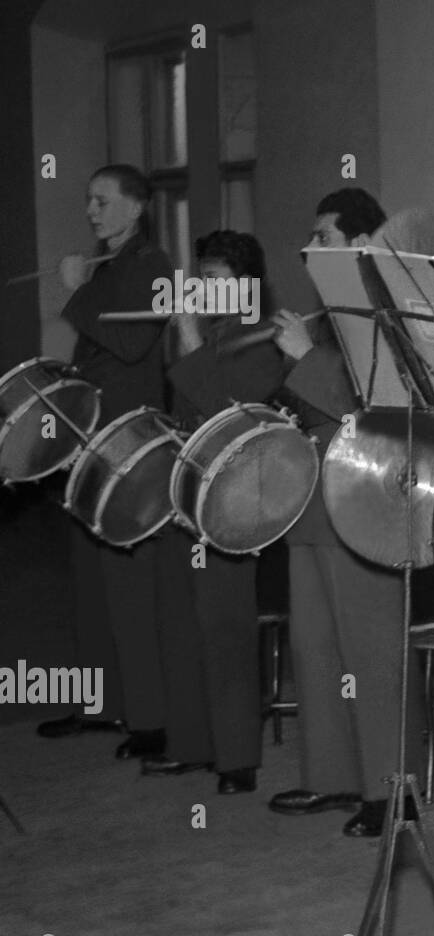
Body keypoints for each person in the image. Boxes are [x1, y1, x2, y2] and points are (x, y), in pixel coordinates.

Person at [266, 188, 421, 836]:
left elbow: (386, 399)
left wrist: (304, 358)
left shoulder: (390, 305)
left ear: (363, 241)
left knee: (372, 649)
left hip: (367, 495)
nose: (313, 247)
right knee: (316, 643)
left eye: (324, 235)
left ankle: (394, 790)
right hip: (313, 501)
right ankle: (330, 776)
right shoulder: (330, 309)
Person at [142, 231, 284, 795]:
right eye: (200, 278)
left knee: (224, 626)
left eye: (216, 280)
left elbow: (227, 409)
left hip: (235, 497)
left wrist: (187, 332)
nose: (202, 289)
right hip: (186, 492)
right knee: (181, 620)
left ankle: (237, 757)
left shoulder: (264, 338)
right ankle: (193, 742)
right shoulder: (210, 332)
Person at [38, 166, 172, 756]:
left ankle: (147, 718)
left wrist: (75, 292)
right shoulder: (107, 268)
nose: (91, 211)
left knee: (128, 583)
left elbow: (131, 342)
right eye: (88, 201)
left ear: (135, 207)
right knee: (90, 582)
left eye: (102, 201)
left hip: (129, 442)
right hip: (88, 434)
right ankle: (99, 704)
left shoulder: (154, 266)